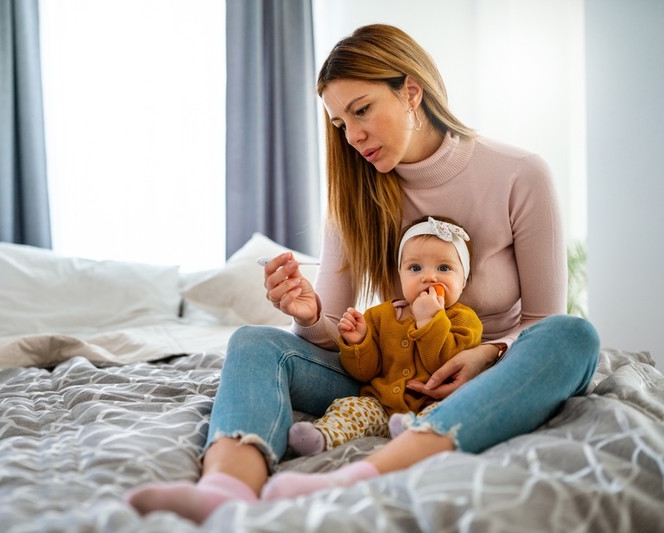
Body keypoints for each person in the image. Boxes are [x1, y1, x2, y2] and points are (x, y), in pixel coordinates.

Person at [127, 23, 599, 521]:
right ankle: (225, 487)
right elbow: (330, 338)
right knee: (252, 341)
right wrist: (309, 316)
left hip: (487, 376)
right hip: (386, 375)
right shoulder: (355, 196)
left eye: (362, 111)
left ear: (411, 90)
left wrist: (486, 354)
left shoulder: (519, 174)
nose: (352, 137)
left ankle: (362, 476)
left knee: (573, 336)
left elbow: (543, 320)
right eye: (339, 124)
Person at [288, 215, 483, 456]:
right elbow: (364, 373)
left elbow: (445, 365)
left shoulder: (465, 320)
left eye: (444, 268)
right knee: (351, 407)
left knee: (448, 415)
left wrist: (430, 320)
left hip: (432, 405)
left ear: (463, 280)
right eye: (415, 268)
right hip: (381, 404)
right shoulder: (380, 315)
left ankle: (414, 436)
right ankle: (322, 436)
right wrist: (359, 342)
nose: (429, 277)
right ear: (400, 275)